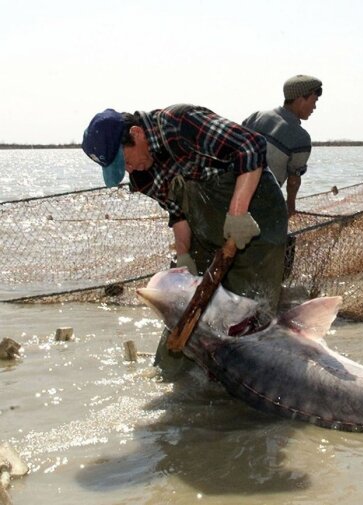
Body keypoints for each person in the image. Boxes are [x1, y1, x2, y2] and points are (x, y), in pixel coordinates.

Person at [81, 104, 288, 376]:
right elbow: (176, 209)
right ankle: (176, 379)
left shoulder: (179, 124)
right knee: (185, 311)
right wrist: (184, 255)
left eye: (126, 162)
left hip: (256, 214)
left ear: (136, 133)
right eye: (122, 169)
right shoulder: (142, 174)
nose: (129, 170)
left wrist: (237, 214)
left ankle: (251, 389)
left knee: (249, 312)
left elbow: (250, 146)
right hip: (204, 225)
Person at [243, 74, 322, 217]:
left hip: (234, 191)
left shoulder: (256, 116)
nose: (315, 107)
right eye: (314, 101)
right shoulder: (301, 137)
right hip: (262, 202)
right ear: (300, 99)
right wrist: (290, 206)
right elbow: (293, 180)